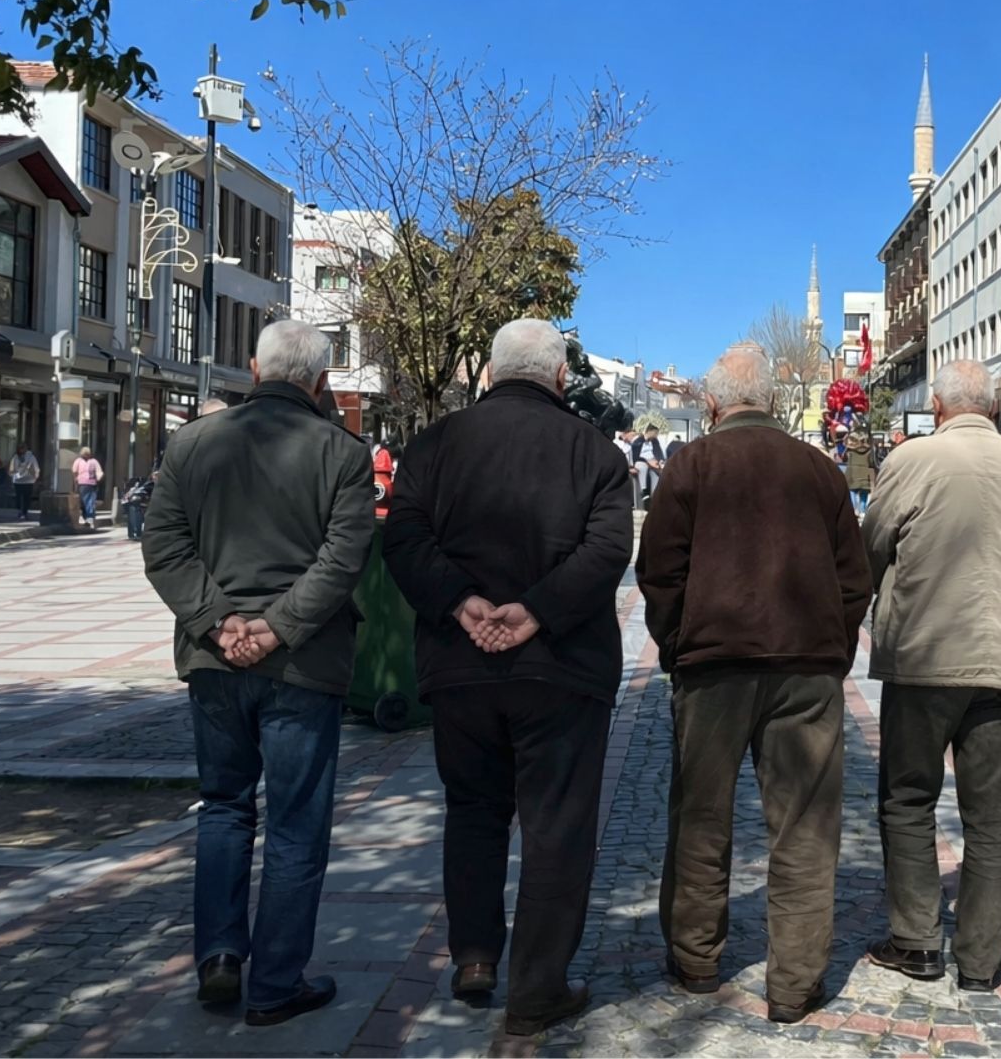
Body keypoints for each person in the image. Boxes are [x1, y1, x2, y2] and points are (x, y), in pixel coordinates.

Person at [382, 320, 631, 1037]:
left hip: (460, 667)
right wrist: (537, 612)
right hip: (562, 669)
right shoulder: (596, 452)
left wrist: (460, 603)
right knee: (557, 828)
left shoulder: (434, 445)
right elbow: (609, 547)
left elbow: (402, 537)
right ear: (559, 378)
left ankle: (475, 957)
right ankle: (538, 987)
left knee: (473, 810)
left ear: (490, 373)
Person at [142, 320, 374, 1026]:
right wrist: (277, 627)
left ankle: (219, 956)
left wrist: (216, 621)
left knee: (224, 806)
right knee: (297, 826)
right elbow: (344, 557)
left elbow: (163, 544)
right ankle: (275, 983)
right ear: (321, 381)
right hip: (302, 664)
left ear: (252, 368)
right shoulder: (342, 452)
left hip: (214, 662)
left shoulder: (191, 444)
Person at [635, 345, 870, 1025]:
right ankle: (794, 985)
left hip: (713, 669)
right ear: (770, 400)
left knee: (701, 818)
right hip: (806, 669)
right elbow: (854, 579)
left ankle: (696, 960)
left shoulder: (691, 466)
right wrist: (833, 645)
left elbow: (659, 574)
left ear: (711, 404)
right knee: (805, 828)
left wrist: (679, 646)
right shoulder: (818, 471)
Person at [862, 359, 1001, 992]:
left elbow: (870, 549)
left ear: (940, 409)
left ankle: (917, 940)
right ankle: (980, 962)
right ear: (994, 409)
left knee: (907, 797)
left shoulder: (912, 460)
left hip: (924, 657)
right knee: (995, 812)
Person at [630, 425, 667, 508]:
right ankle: (644, 490)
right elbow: (636, 457)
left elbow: (658, 452)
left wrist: (660, 461)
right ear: (649, 432)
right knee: (642, 467)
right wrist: (648, 462)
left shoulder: (655, 441)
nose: (656, 435)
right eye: (655, 433)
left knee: (658, 473)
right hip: (642, 461)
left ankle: (655, 494)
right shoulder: (638, 441)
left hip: (653, 462)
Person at [120, 469, 156, 540]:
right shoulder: (147, 484)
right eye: (155, 475)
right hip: (140, 503)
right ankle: (134, 533)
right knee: (133, 507)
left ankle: (135, 532)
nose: (156, 477)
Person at [72, 447, 103, 527]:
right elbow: (75, 471)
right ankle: (87, 517)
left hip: (88, 484)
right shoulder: (81, 461)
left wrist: (98, 478)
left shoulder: (91, 461)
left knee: (88, 501)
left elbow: (74, 471)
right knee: (86, 501)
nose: (85, 456)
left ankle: (88, 517)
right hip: (85, 483)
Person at [845, 430, 873, 517]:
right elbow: (871, 463)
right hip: (865, 475)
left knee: (852, 491)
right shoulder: (869, 451)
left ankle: (854, 509)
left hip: (853, 475)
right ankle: (862, 511)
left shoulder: (850, 452)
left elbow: (848, 464)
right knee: (864, 494)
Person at [10, 446, 40, 519]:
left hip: (19, 480)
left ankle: (22, 511)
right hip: (28, 480)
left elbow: (12, 468)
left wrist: (12, 476)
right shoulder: (31, 457)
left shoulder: (15, 457)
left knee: (19, 497)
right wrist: (36, 476)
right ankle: (23, 512)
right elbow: (36, 467)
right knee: (26, 497)